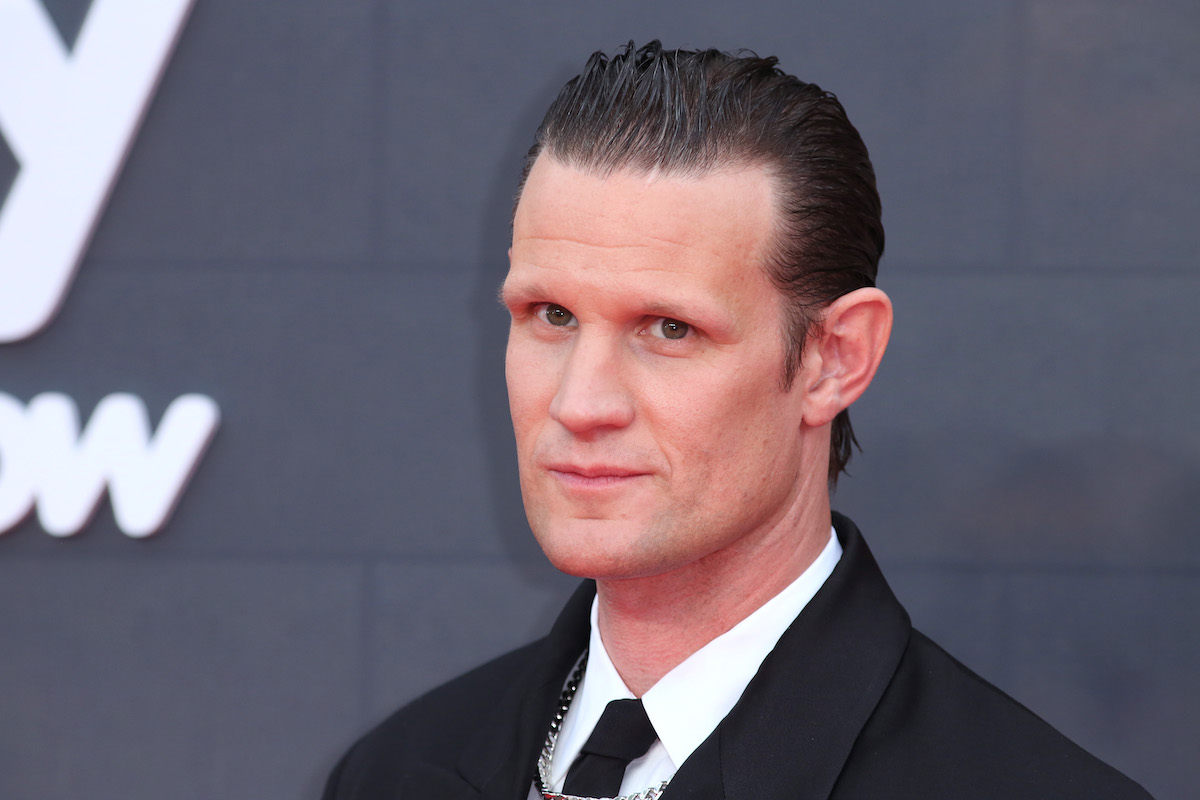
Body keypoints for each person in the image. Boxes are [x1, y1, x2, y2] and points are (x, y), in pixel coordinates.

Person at [322, 42, 1152, 800]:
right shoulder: (396, 771)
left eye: (669, 329)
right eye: (550, 315)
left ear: (836, 358)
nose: (580, 404)